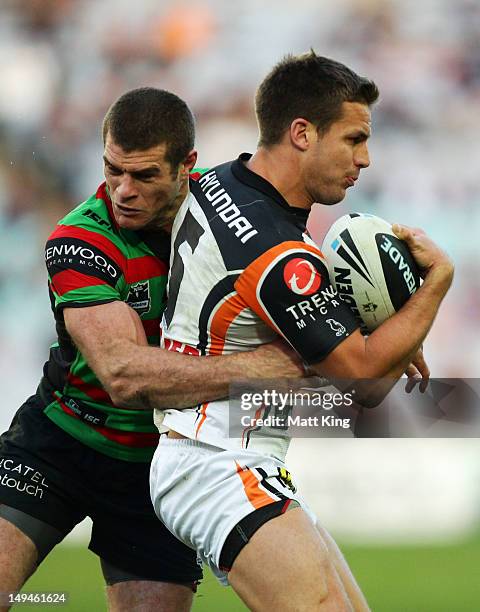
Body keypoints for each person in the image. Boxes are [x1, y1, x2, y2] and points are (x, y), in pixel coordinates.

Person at [150, 52, 454, 611]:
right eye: (354, 139)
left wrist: (382, 338)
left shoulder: (219, 181)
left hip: (220, 454)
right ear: (301, 133)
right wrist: (437, 282)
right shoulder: (277, 250)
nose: (364, 159)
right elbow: (365, 383)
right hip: (218, 461)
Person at [0, 88, 306, 612]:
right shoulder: (81, 238)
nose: (122, 191)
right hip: (60, 444)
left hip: (161, 466)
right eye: (113, 170)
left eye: (143, 176)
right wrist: (262, 369)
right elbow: (123, 377)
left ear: (187, 165)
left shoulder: (228, 223)